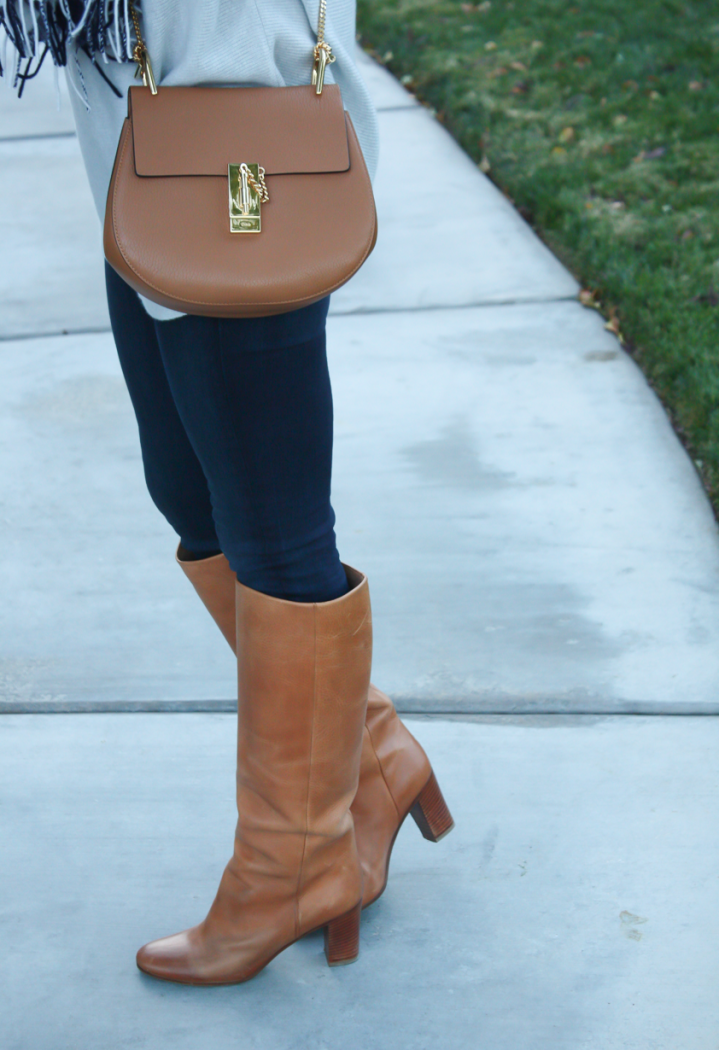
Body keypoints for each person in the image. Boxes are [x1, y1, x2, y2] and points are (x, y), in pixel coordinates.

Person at [2, 0, 454, 984]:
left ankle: (290, 868)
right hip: (146, 134)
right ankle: (370, 755)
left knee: (271, 527)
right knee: (190, 494)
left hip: (233, 142)